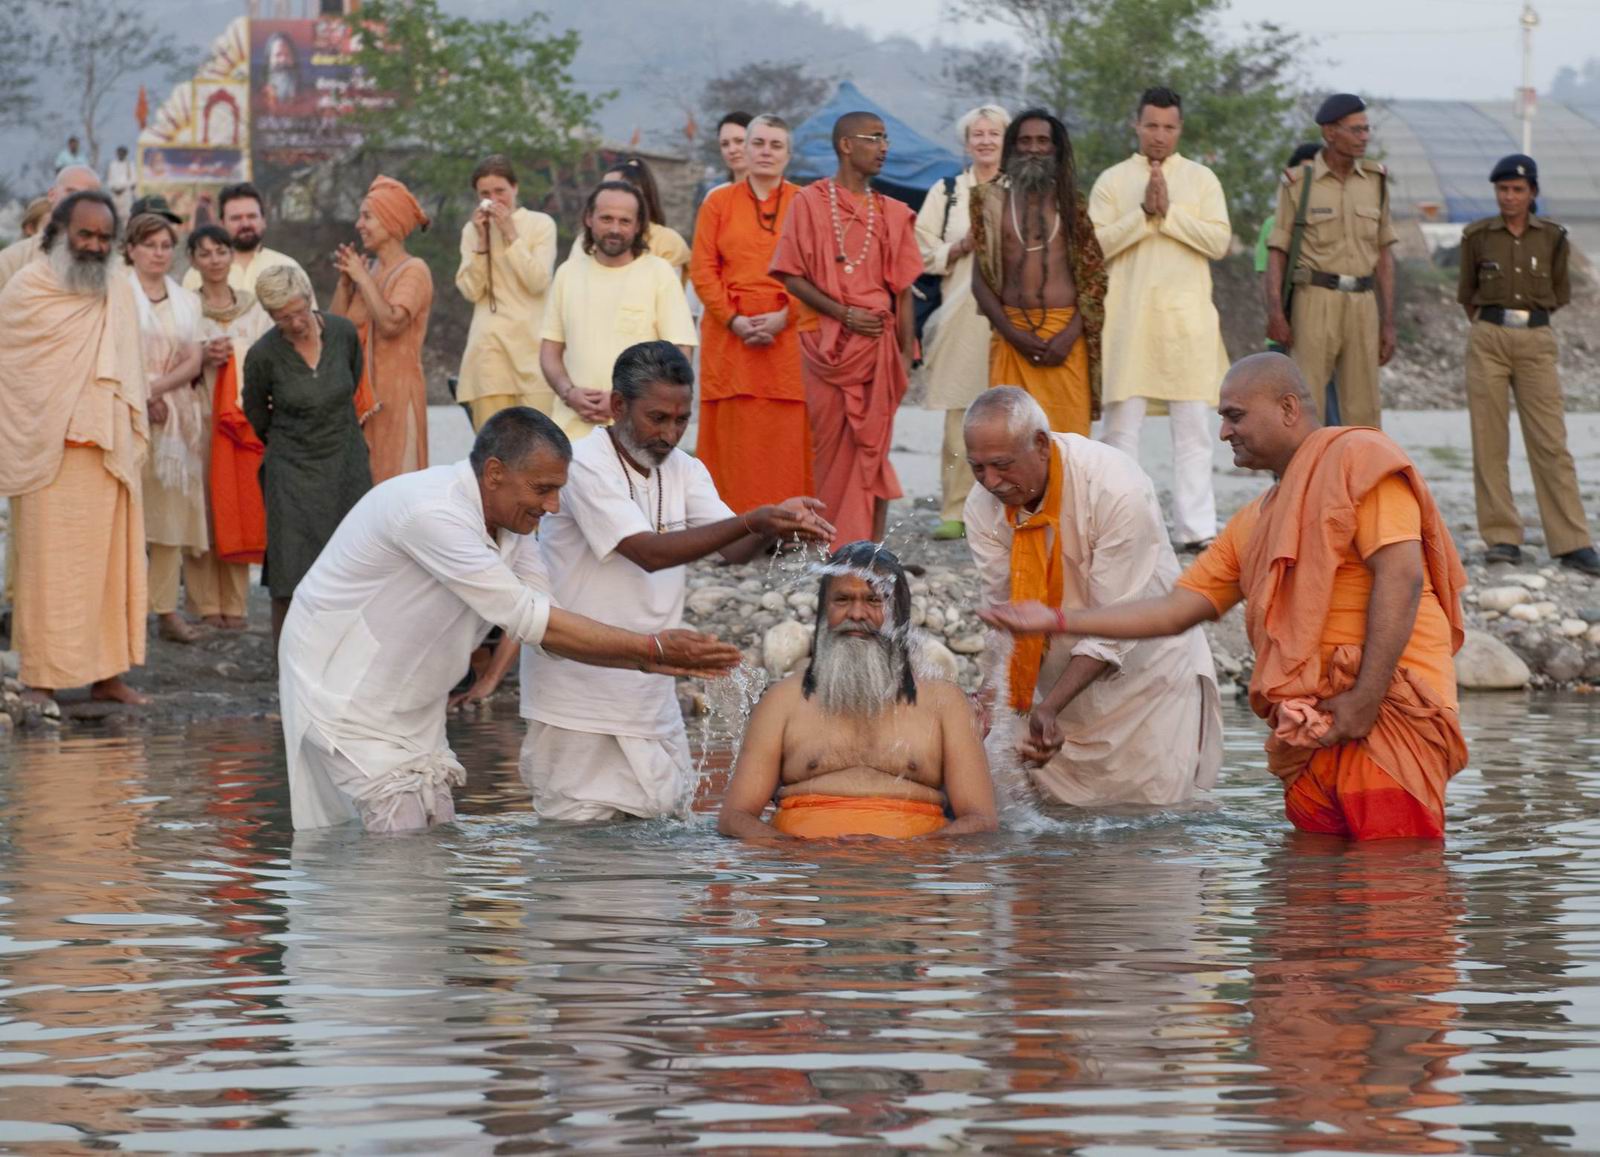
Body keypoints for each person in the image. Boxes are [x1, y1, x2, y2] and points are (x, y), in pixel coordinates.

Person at [981, 353, 1469, 840]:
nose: (1223, 433)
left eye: (1235, 415)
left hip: (1385, 712)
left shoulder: (1357, 460)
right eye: (1221, 418)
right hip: (1310, 729)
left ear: (1288, 408)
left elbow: (1401, 576)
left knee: (1398, 888)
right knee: (1309, 900)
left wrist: (1364, 698)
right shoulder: (1254, 522)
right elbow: (1174, 611)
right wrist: (1056, 621)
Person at [279, 406, 744, 832]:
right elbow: (530, 619)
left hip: (408, 698)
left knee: (433, 824)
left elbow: (547, 626)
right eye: (543, 489)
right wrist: (653, 650)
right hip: (341, 684)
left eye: (559, 489)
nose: (554, 506)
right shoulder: (432, 512)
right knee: (400, 831)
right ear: (495, 473)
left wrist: (657, 658)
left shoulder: (512, 528)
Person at [494, 342, 834, 821]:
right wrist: (755, 521)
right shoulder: (583, 464)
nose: (669, 434)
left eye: (681, 420)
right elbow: (646, 553)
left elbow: (733, 550)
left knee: (658, 868)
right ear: (617, 406)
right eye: (657, 418)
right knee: (575, 868)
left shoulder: (685, 469)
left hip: (652, 698)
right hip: (576, 703)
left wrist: (785, 530)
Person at [962, 387, 1222, 806]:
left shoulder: (1115, 487)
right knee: (1045, 837)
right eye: (977, 469)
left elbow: (1116, 625)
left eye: (1002, 466)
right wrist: (992, 698)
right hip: (1054, 685)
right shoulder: (982, 507)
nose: (991, 482)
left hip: (1145, 680)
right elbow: (1004, 613)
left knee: (1153, 829)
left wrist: (1049, 709)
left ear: (1041, 446)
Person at [719, 541, 998, 840]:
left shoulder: (944, 702)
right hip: (804, 875)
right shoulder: (783, 700)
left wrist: (906, 851)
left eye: (874, 601)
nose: (856, 613)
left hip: (911, 871)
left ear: (899, 613)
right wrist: (792, 851)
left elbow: (980, 821)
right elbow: (735, 818)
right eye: (842, 600)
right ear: (824, 610)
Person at [0, 191, 149, 706]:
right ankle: (40, 678)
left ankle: (107, 676)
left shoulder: (118, 289)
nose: (93, 245)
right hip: (49, 454)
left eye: (104, 237)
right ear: (57, 233)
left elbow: (131, 368)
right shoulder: (25, 291)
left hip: (106, 449)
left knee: (108, 568)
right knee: (48, 571)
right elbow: (13, 373)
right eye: (84, 234)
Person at [770, 111, 922, 547]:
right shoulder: (809, 203)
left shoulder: (892, 213)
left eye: (886, 139)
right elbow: (791, 276)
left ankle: (872, 551)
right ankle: (833, 548)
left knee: (874, 453)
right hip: (826, 346)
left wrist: (904, 357)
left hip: (877, 349)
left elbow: (904, 292)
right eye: (875, 138)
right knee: (831, 452)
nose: (884, 148)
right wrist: (842, 312)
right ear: (845, 145)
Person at [1090, 87, 1231, 551]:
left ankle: (1196, 530)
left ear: (1180, 129)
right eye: (1151, 125)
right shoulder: (1112, 180)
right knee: (1119, 431)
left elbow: (1218, 243)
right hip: (1127, 324)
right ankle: (1121, 526)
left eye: (1169, 127)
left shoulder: (1202, 179)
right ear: (1136, 125)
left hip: (1186, 326)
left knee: (1193, 432)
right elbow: (1094, 248)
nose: (1159, 135)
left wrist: (1169, 214)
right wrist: (1142, 213)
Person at [1457, 154, 1600, 577]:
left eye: (1518, 189)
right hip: (1488, 338)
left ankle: (1572, 542)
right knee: (1489, 440)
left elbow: (1559, 292)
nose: (1509, 196)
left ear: (1532, 193)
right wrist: (1492, 326)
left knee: (1550, 442)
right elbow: (1468, 293)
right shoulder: (1478, 236)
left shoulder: (1553, 238)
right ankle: (1502, 537)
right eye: (1502, 189)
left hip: (1537, 339)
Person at [242, 264, 372, 649]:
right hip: (292, 469)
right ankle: (291, 663)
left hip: (345, 459)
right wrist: (291, 441)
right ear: (270, 317)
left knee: (355, 562)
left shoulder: (343, 333)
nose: (296, 323)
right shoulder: (263, 355)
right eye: (284, 318)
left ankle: (353, 652)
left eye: (300, 312)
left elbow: (352, 380)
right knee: (290, 569)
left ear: (310, 300)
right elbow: (256, 413)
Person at [690, 113, 814, 514]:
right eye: (758, 143)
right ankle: (729, 525)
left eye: (776, 145)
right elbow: (703, 269)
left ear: (788, 154)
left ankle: (791, 521)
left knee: (788, 433)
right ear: (744, 149)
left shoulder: (806, 203)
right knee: (732, 430)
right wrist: (733, 318)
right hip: (731, 334)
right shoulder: (718, 203)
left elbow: (817, 270)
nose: (765, 152)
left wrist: (785, 315)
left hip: (789, 333)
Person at [970, 109, 1107, 436]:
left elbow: (1094, 280)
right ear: (1013, 149)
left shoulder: (1073, 205)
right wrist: (1013, 334)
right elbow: (980, 281)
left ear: (1056, 149)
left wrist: (1069, 336)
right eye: (1025, 141)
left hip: (1066, 344)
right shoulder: (988, 203)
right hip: (1011, 339)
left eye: (1043, 141)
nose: (1033, 148)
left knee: (1068, 443)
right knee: (1009, 441)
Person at [1265, 93, 1396, 428]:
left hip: (1363, 304)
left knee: (1363, 408)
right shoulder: (1298, 183)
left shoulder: (1376, 183)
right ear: (1330, 132)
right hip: (1314, 300)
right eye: (1355, 130)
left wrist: (1388, 320)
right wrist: (1276, 313)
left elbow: (1384, 255)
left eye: (1366, 130)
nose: (1364, 137)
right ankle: (1304, 479)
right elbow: (1277, 251)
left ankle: (1362, 480)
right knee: (1306, 403)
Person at [540, 180, 697, 442]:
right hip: (572, 432)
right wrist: (569, 393)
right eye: (606, 218)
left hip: (638, 435)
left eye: (624, 221)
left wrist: (627, 401)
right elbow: (550, 351)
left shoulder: (659, 273)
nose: (614, 228)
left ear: (638, 226)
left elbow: (681, 354)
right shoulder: (568, 273)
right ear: (589, 219)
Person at [918, 104, 1009, 542]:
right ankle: (955, 508)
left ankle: (1009, 504)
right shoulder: (947, 191)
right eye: (979, 134)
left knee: (1010, 410)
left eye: (994, 134)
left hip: (1012, 312)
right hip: (960, 312)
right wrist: (960, 247)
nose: (986, 141)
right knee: (960, 413)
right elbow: (920, 249)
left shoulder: (1018, 189)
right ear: (967, 141)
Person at [126, 213, 207, 645]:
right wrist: (142, 395)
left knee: (170, 516)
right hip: (125, 411)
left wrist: (157, 390)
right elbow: (111, 353)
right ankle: (127, 609)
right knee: (128, 515)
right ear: (131, 249)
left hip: (176, 416)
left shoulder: (185, 300)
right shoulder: (116, 293)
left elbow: (193, 360)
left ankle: (165, 609)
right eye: (150, 245)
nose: (159, 253)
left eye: (165, 246)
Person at [191, 223, 274, 628]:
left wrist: (239, 354)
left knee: (236, 500)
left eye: (221, 251)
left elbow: (269, 358)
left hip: (240, 420)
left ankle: (236, 603)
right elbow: (170, 358)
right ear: (193, 260)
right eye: (204, 254)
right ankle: (204, 603)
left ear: (230, 255)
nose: (214, 261)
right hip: (195, 417)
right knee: (201, 506)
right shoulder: (185, 308)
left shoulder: (254, 308)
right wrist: (202, 356)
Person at [332, 174, 434, 483]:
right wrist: (346, 282)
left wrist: (363, 279)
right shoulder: (369, 270)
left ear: (390, 221)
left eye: (367, 217)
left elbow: (391, 323)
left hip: (397, 399)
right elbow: (335, 331)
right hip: (362, 404)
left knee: (396, 492)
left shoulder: (414, 270)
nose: (359, 224)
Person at [454, 154, 559, 428]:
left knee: (541, 445)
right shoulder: (472, 231)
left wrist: (511, 234)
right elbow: (470, 290)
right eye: (485, 193)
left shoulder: (540, 224)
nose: (494, 198)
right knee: (494, 450)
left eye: (500, 190)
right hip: (489, 352)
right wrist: (482, 241)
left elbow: (537, 282)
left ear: (515, 188)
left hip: (533, 351)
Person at [564, 155, 692, 277]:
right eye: (604, 188)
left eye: (615, 187)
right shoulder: (585, 239)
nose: (608, 193)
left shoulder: (667, 240)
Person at [180, 182, 310, 297]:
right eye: (236, 218)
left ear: (263, 221)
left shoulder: (288, 268)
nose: (245, 224)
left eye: (252, 216)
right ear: (222, 223)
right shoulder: (198, 274)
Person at [0, 165, 101, 290]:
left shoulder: (114, 268)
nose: (78, 202)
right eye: (71, 193)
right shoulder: (12, 260)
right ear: (52, 195)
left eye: (88, 197)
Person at [716, 112, 753, 186]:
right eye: (725, 144)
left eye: (739, 141)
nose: (731, 150)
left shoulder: (780, 193)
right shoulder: (716, 195)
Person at [106, 146, 135, 221]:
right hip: (115, 194)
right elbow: (109, 180)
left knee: (126, 217)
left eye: (122, 152)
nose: (120, 154)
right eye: (119, 152)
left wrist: (123, 188)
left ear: (126, 154)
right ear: (116, 153)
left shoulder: (130, 165)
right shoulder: (112, 165)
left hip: (125, 195)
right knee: (113, 216)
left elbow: (133, 180)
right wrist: (113, 188)